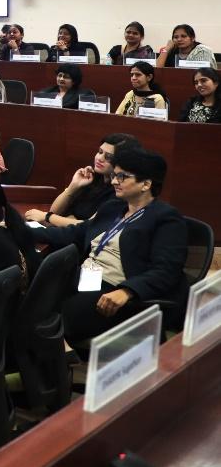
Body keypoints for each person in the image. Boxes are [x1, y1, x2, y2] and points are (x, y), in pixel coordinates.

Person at [39, 146, 187, 346]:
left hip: (120, 291)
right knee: (37, 296)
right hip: (88, 277)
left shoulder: (166, 218)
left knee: (63, 316)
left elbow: (166, 271)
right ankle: (56, 358)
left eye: (122, 177)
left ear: (146, 184)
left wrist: (127, 291)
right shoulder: (113, 208)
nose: (115, 181)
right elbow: (74, 232)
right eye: (115, 175)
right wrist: (20, 230)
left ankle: (56, 365)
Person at [25, 134, 140, 227]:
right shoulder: (92, 176)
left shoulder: (120, 190)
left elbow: (89, 226)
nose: (100, 158)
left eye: (108, 157)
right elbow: (55, 211)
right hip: (66, 234)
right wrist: (73, 186)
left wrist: (47, 217)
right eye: (100, 152)